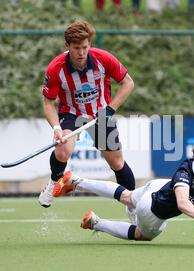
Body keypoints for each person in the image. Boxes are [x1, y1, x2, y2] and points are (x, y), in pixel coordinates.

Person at [51, 133, 194, 242]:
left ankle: (75, 180)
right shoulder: (185, 172)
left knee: (126, 196)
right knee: (143, 235)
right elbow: (182, 202)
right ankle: (96, 222)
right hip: (153, 209)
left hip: (157, 187)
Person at [38, 20, 135, 208]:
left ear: (89, 44)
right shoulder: (56, 68)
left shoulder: (103, 59)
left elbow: (128, 83)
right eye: (76, 48)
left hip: (101, 114)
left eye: (85, 47)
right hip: (71, 114)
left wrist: (110, 109)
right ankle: (53, 182)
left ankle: (133, 204)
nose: (81, 53)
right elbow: (48, 103)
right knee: (62, 150)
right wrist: (57, 128)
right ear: (67, 46)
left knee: (117, 163)